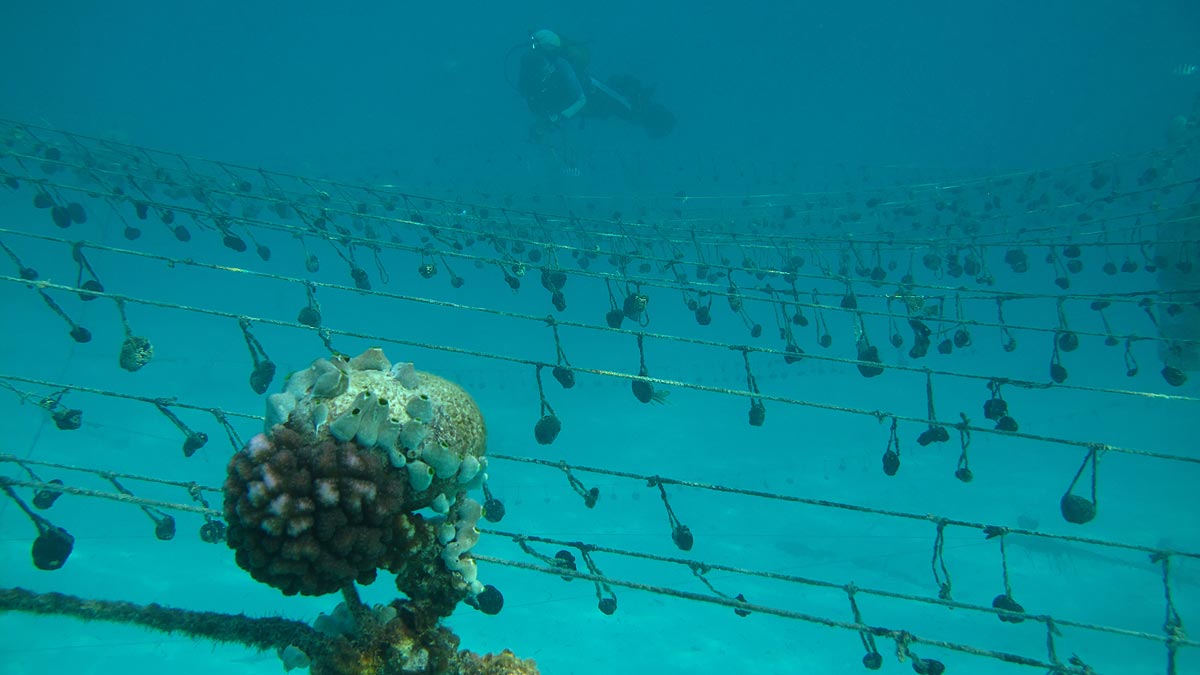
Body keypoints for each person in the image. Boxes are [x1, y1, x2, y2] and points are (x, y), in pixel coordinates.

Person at [516, 29, 676, 141]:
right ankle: (643, 104)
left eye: (544, 66)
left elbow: (580, 100)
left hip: (592, 92)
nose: (543, 71)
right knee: (625, 109)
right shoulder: (531, 75)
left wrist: (557, 118)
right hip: (585, 103)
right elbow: (536, 102)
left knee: (632, 110)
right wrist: (547, 120)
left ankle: (652, 111)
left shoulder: (561, 65)